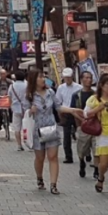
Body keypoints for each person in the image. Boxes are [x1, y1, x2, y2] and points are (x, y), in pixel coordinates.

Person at [26, 67, 65, 195]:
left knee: (53, 157)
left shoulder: (51, 93)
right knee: (40, 158)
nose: (43, 79)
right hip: (38, 129)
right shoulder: (29, 95)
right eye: (40, 77)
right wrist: (30, 110)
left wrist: (74, 111)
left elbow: (58, 107)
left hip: (51, 127)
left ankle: (53, 184)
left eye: (44, 76)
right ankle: (39, 177)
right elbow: (24, 112)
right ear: (34, 80)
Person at [71, 71, 98, 180]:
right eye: (86, 78)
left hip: (95, 125)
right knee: (82, 149)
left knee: (97, 149)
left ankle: (96, 170)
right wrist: (81, 120)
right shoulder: (77, 95)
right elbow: (73, 110)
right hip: (82, 126)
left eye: (90, 78)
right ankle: (82, 162)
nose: (89, 80)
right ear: (81, 80)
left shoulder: (96, 94)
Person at [55, 68, 82, 165]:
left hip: (77, 111)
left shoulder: (79, 87)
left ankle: (85, 154)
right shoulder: (61, 88)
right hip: (66, 112)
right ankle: (68, 156)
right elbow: (58, 101)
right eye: (66, 78)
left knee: (81, 134)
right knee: (66, 136)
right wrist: (60, 114)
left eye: (69, 78)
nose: (67, 79)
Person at [9, 70, 28, 151]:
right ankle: (28, 143)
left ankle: (19, 145)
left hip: (16, 108)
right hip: (26, 109)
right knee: (26, 127)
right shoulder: (27, 85)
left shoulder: (12, 86)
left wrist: (11, 106)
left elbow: (9, 97)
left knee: (17, 128)